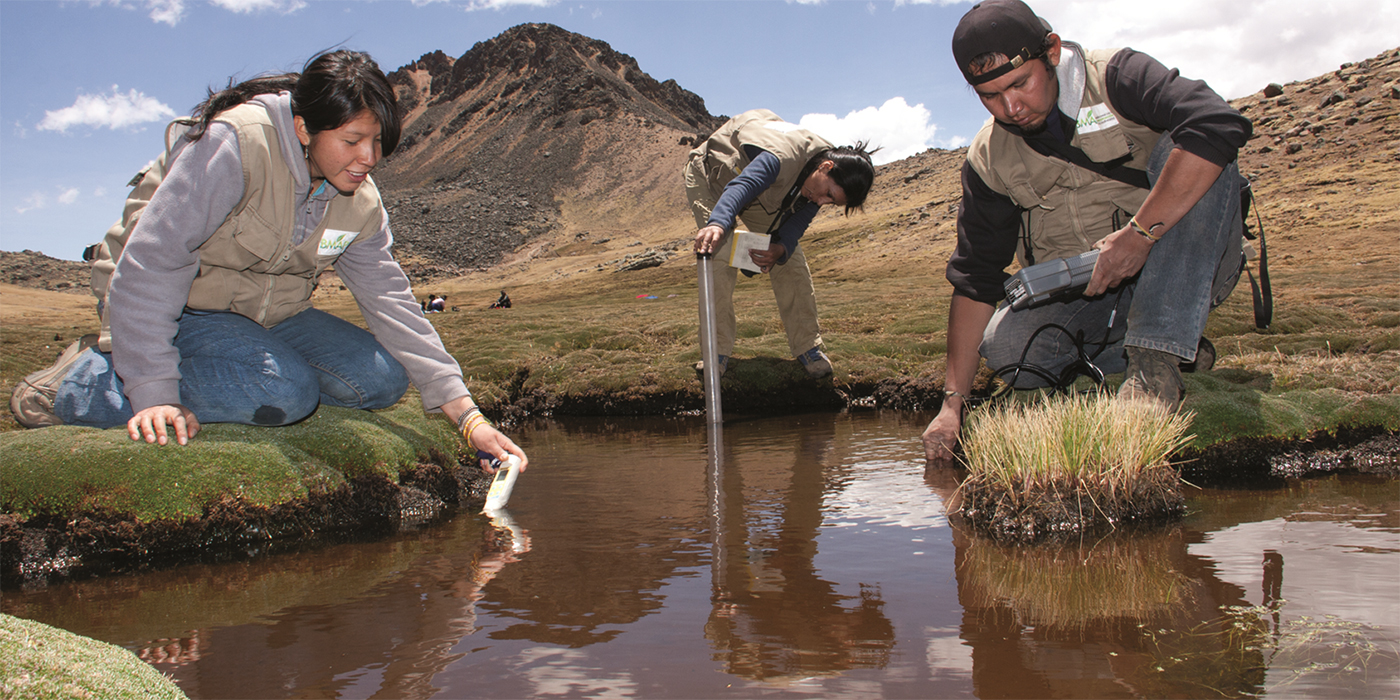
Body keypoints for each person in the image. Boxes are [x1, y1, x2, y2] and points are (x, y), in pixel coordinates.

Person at [10, 50, 527, 471]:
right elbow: (153, 261)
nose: (368, 159)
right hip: (182, 304)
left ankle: (234, 369)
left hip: (269, 317)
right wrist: (153, 392)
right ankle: (76, 386)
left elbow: (390, 301)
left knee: (382, 379)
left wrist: (467, 417)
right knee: (286, 391)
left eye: (376, 142)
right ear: (304, 129)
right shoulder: (235, 144)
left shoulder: (360, 202)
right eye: (352, 141)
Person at [921, 0, 1252, 464]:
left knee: (1195, 141)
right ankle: (1173, 349)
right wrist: (951, 404)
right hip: (1091, 293)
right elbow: (976, 278)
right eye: (990, 96)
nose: (1011, 107)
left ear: (1052, 51)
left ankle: (1155, 363)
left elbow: (1219, 124)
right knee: (1008, 349)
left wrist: (1139, 237)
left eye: (1020, 83)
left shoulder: (1118, 76)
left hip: (1185, 261)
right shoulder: (988, 159)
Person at [687, 109, 877, 378]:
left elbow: (798, 222)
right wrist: (717, 223)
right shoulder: (779, 159)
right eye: (828, 194)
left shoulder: (819, 181)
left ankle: (808, 347)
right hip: (715, 176)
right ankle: (714, 351)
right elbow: (742, 186)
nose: (822, 202)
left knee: (791, 260)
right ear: (826, 167)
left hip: (766, 192)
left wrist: (780, 247)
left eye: (831, 202)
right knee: (718, 252)